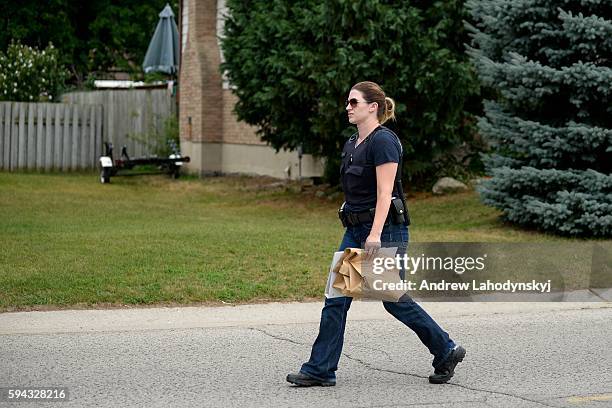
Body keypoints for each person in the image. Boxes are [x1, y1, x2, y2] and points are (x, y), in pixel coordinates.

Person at [286, 81, 465, 387]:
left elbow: (385, 194)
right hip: (355, 230)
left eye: (354, 102)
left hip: (383, 230)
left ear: (373, 107)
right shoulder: (352, 143)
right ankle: (320, 370)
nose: (348, 107)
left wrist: (375, 234)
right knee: (336, 299)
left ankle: (446, 349)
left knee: (393, 299)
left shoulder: (384, 142)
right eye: (347, 102)